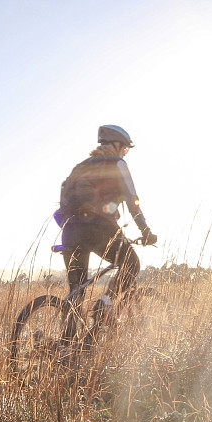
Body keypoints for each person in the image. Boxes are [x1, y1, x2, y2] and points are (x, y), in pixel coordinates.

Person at [55, 124, 157, 313]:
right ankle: (104, 304)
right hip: (97, 228)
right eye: (125, 148)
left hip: (69, 231)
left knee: (76, 294)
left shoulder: (81, 166)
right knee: (131, 264)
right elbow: (132, 200)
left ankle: (67, 341)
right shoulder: (117, 164)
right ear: (116, 145)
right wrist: (146, 231)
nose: (125, 153)